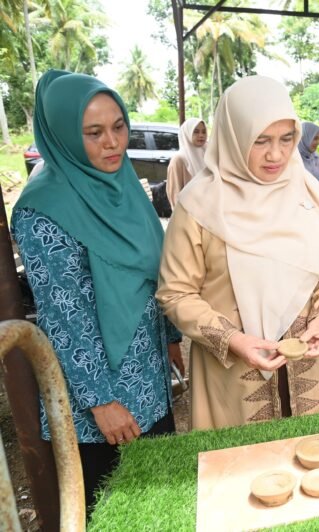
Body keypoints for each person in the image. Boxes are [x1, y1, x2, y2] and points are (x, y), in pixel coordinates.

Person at [11, 70, 181, 510]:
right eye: (94, 132)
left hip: (150, 377)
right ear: (65, 133)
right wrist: (100, 401)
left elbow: (152, 272)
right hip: (98, 401)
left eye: (119, 126)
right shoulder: (43, 208)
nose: (113, 143)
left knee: (162, 503)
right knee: (116, 507)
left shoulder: (123, 185)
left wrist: (172, 339)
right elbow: (62, 317)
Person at [156, 76, 319, 430]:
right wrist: (233, 340)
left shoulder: (308, 195)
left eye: (287, 138)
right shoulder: (200, 205)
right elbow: (175, 293)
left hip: (307, 376)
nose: (276, 154)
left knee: (314, 471)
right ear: (233, 136)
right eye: (260, 141)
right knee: (241, 476)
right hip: (234, 380)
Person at [166, 118, 207, 207]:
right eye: (196, 132)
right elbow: (174, 193)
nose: (201, 135)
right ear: (187, 133)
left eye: (204, 132)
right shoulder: (179, 159)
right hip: (188, 213)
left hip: (208, 212)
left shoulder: (208, 155)